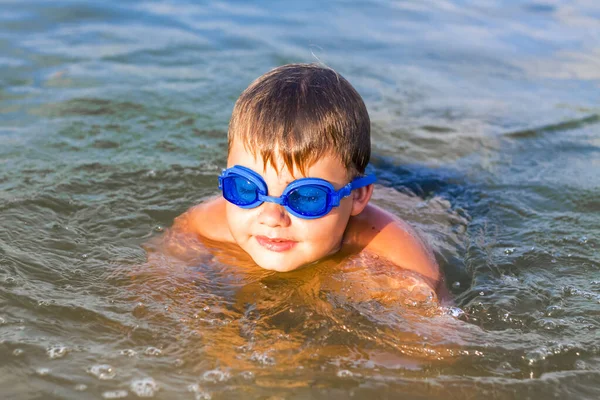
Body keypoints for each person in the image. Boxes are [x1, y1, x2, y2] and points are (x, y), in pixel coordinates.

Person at [166, 63, 445, 299]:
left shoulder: (399, 259)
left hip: (420, 199)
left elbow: (436, 345)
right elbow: (158, 286)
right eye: (246, 188)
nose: (271, 218)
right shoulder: (204, 227)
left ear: (358, 197)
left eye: (307, 197)